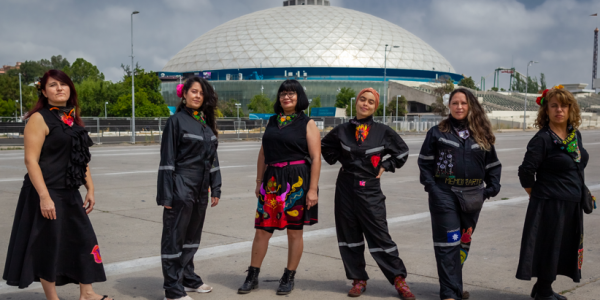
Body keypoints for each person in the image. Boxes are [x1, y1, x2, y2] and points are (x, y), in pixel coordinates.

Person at [3, 70, 111, 300]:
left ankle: (87, 293)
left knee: (85, 240)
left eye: (64, 84)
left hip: (70, 192)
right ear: (44, 91)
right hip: (45, 191)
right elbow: (31, 160)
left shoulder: (72, 119)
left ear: (70, 89)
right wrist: (44, 196)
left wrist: (90, 187)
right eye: (53, 85)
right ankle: (53, 298)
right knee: (48, 246)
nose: (59, 88)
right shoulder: (39, 118)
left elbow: (81, 158)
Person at [321, 88, 416, 299]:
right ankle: (358, 279)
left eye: (371, 102)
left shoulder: (383, 131)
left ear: (375, 106)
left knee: (379, 234)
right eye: (363, 99)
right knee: (349, 234)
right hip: (345, 186)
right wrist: (340, 160)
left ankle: (399, 279)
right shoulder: (342, 130)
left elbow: (402, 152)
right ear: (356, 102)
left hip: (370, 187)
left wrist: (385, 166)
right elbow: (325, 145)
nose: (366, 104)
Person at [238, 79, 321, 295]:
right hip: (272, 182)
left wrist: (313, 189)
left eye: (291, 93)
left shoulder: (307, 123)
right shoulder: (272, 121)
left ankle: (288, 276)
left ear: (299, 97)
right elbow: (263, 153)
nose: (286, 97)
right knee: (262, 231)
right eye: (283, 93)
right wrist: (259, 181)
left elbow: (316, 157)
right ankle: (253, 275)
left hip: (297, 181)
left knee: (294, 232)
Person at [418, 88, 501, 300]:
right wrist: (433, 189)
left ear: (471, 105)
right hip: (445, 195)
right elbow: (425, 164)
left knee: (463, 241)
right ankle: (449, 293)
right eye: (455, 103)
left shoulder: (482, 134)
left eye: (463, 103)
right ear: (449, 106)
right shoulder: (437, 132)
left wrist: (489, 190)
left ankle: (454, 285)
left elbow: (493, 165)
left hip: (473, 196)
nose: (459, 107)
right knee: (448, 242)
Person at [516, 86, 589, 300]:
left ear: (571, 110)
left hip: (571, 203)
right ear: (546, 111)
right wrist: (537, 196)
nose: (559, 110)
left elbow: (578, 164)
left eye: (564, 106)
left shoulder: (576, 135)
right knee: (549, 246)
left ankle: (543, 287)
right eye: (554, 106)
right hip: (549, 204)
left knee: (562, 247)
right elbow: (526, 172)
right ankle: (544, 292)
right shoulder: (542, 139)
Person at [156, 76, 222, 300]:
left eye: (201, 93)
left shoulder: (204, 123)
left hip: (201, 188)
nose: (197, 96)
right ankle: (172, 290)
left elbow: (213, 158)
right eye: (193, 91)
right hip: (181, 185)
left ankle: (188, 278)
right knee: (174, 237)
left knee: (192, 236)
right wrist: (166, 194)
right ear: (183, 95)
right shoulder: (176, 121)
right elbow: (167, 160)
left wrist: (217, 186)